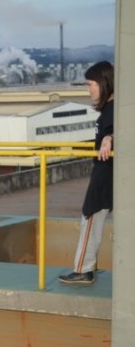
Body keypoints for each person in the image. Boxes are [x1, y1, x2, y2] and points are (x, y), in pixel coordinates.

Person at [59, 60, 114, 285]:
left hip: (105, 174)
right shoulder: (113, 109)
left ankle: (84, 269)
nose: (89, 89)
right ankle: (86, 267)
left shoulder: (113, 110)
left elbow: (114, 131)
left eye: (91, 84)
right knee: (95, 219)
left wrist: (110, 138)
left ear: (104, 83)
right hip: (108, 174)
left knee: (90, 217)